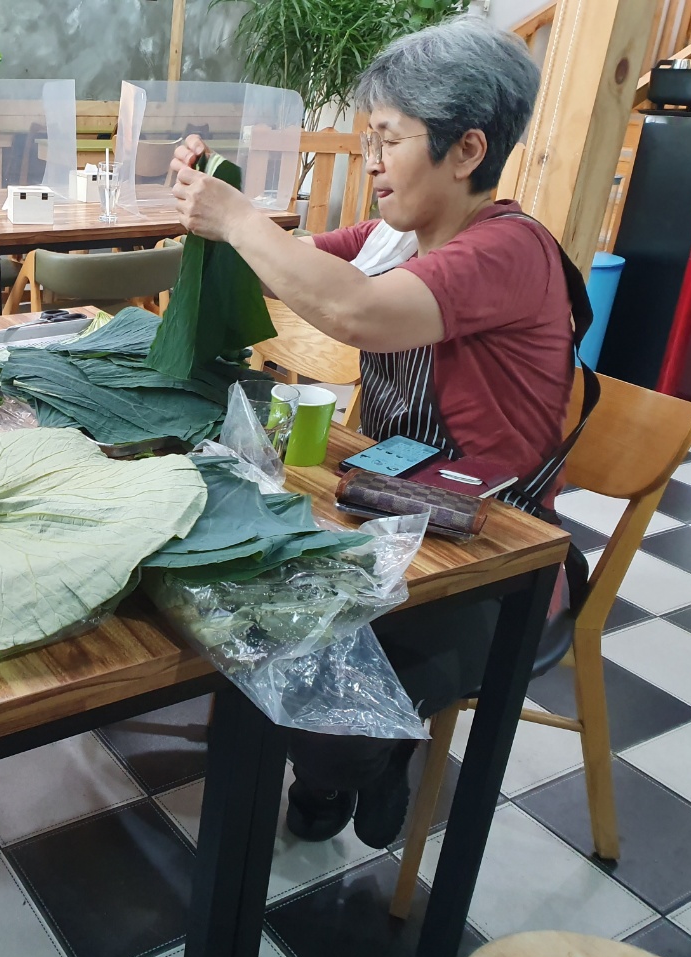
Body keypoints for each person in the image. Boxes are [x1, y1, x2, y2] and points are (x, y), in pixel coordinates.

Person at [172, 16, 581, 848]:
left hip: (494, 561)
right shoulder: (395, 236)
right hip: (390, 518)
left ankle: (369, 757)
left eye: (389, 139)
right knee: (243, 609)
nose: (371, 159)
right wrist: (208, 209)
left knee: (314, 692)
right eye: (369, 139)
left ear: (467, 150)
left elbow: (353, 310)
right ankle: (335, 760)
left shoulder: (508, 251)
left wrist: (240, 220)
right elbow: (292, 269)